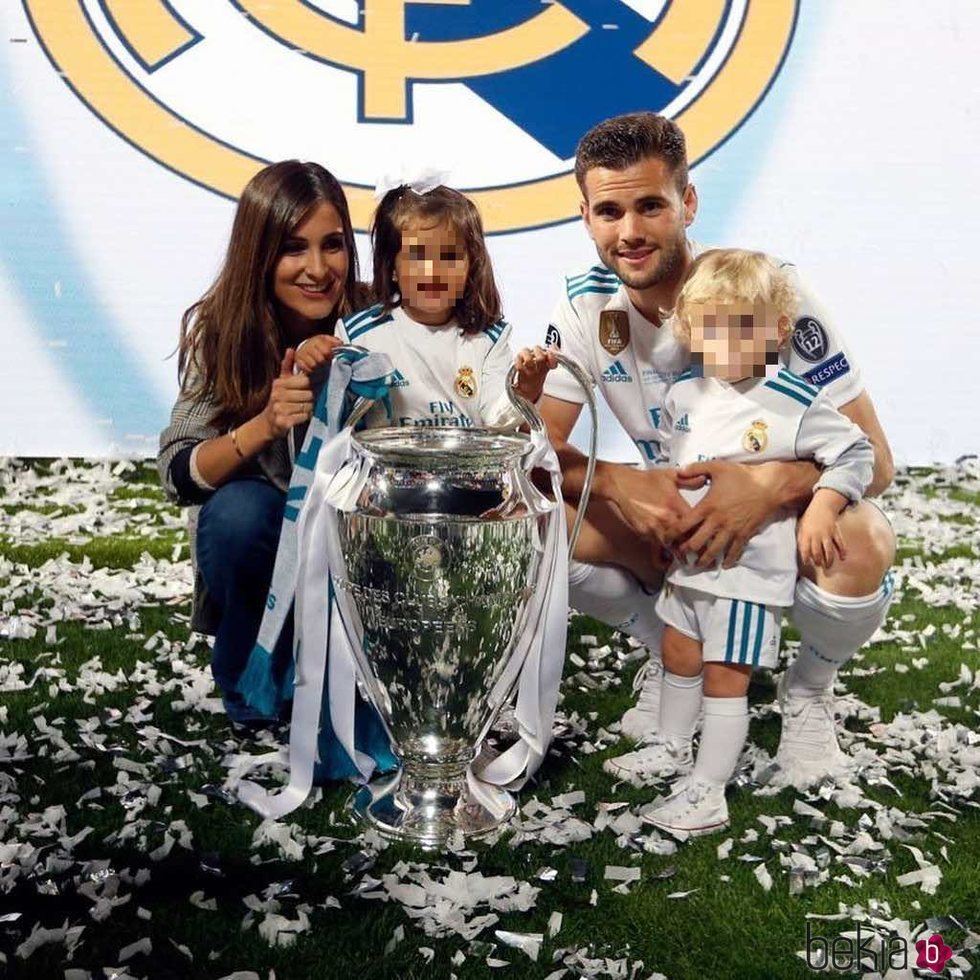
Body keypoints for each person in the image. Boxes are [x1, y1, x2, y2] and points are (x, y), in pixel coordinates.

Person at [539, 113, 896, 785]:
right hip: (680, 526)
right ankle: (669, 652)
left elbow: (876, 459)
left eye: (651, 205)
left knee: (862, 540)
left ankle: (808, 691)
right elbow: (535, 455)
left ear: (689, 202)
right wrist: (617, 483)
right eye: (609, 211)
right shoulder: (587, 309)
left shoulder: (764, 289)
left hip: (780, 529)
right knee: (538, 523)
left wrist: (768, 489)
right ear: (585, 215)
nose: (631, 232)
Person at [628, 249, 874, 835]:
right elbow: (676, 465)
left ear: (778, 329)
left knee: (724, 677)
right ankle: (669, 745)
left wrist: (823, 504)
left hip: (744, 576)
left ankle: (708, 792)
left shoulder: (793, 401)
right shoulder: (685, 399)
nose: (728, 341)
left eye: (745, 326)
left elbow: (857, 452)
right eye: (712, 327)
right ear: (690, 331)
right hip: (690, 566)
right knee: (679, 656)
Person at [157, 161, 381, 745]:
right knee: (237, 515)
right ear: (258, 252)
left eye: (332, 245)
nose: (317, 269)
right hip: (267, 546)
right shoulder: (224, 327)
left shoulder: (373, 317)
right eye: (291, 248)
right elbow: (178, 472)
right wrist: (264, 423)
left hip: (357, 539)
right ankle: (250, 677)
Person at [295, 182, 555, 424]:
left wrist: (526, 390)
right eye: (418, 256)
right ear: (391, 267)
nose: (433, 271)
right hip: (382, 473)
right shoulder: (358, 334)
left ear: (471, 265)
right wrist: (310, 356)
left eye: (449, 257)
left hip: (464, 473)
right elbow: (331, 417)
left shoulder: (490, 339)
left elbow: (497, 423)